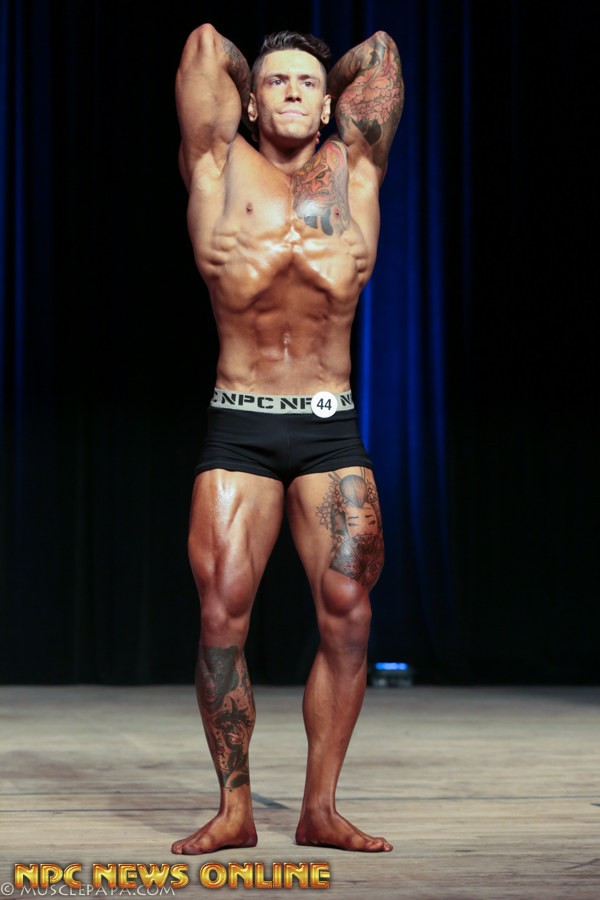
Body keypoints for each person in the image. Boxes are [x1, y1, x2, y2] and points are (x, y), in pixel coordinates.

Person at [171, 22, 404, 855]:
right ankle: (233, 808)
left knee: (349, 617)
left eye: (309, 81)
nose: (295, 91)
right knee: (221, 613)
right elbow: (205, 45)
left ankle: (320, 808)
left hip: (329, 427)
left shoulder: (356, 168)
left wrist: (316, 80)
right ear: (248, 102)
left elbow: (381, 52)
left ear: (332, 100)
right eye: (277, 82)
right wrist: (255, 72)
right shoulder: (216, 165)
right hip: (241, 424)